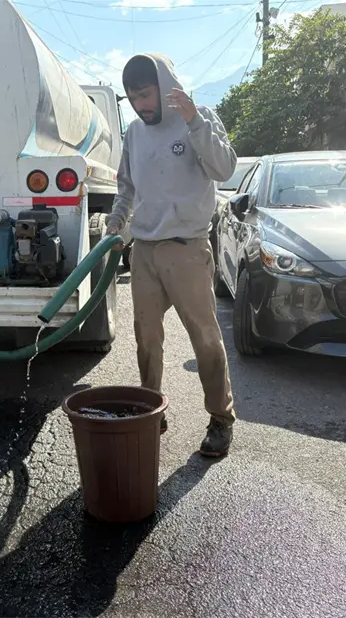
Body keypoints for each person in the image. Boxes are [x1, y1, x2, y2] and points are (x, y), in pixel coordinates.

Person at [106, 53, 238, 457]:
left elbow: (225, 169)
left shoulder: (198, 118)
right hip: (144, 250)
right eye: (132, 99)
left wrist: (196, 122)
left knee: (205, 338)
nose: (140, 106)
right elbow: (126, 186)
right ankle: (152, 410)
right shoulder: (134, 132)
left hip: (187, 250)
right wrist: (116, 219)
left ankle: (221, 419)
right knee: (146, 338)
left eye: (145, 96)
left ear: (163, 89)